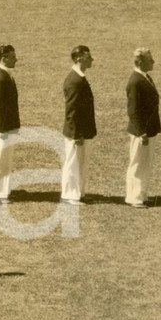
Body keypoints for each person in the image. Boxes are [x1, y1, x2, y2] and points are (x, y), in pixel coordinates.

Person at [125, 48, 161, 208]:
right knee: (138, 163)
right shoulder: (135, 82)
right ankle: (134, 197)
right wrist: (141, 133)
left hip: (149, 129)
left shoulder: (144, 77)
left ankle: (142, 194)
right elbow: (133, 111)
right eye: (150, 59)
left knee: (145, 163)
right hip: (141, 131)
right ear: (140, 62)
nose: (153, 62)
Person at [61, 45, 97, 205]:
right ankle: (70, 195)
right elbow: (72, 111)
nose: (92, 60)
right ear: (79, 59)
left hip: (84, 131)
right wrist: (76, 134)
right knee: (73, 163)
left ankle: (79, 193)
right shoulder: (75, 81)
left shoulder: (79, 78)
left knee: (81, 163)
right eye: (88, 57)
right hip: (77, 133)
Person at [0, 44, 20, 203]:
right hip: (1, 129)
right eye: (12, 57)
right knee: (0, 161)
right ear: (4, 58)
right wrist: (2, 129)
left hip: (7, 127)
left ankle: (4, 191)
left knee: (6, 161)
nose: (16, 59)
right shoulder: (0, 79)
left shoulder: (6, 75)